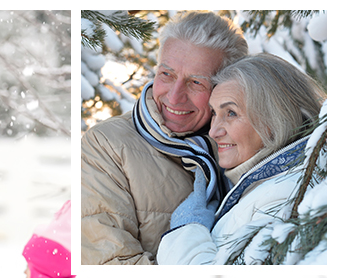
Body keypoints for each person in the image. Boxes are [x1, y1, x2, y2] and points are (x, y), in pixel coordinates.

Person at [81, 11, 248, 264]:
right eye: (166, 74)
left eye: (196, 82)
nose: (174, 96)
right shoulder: (106, 146)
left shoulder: (244, 143)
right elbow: (111, 265)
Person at [157, 53, 326, 264]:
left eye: (231, 113)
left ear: (274, 120)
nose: (214, 131)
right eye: (214, 114)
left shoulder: (285, 195)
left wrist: (187, 228)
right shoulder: (264, 185)